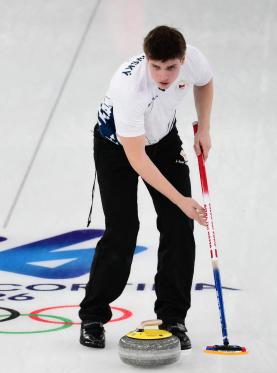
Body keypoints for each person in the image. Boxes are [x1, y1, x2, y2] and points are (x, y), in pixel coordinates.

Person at [79, 25, 213, 350]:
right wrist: (181, 199)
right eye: (156, 67)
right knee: (123, 231)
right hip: (118, 148)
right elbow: (138, 161)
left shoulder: (193, 60)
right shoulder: (129, 88)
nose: (164, 75)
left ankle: (173, 318)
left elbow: (205, 84)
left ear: (183, 59)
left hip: (163, 139)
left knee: (179, 227)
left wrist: (204, 128)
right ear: (146, 60)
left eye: (171, 67)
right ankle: (93, 315)